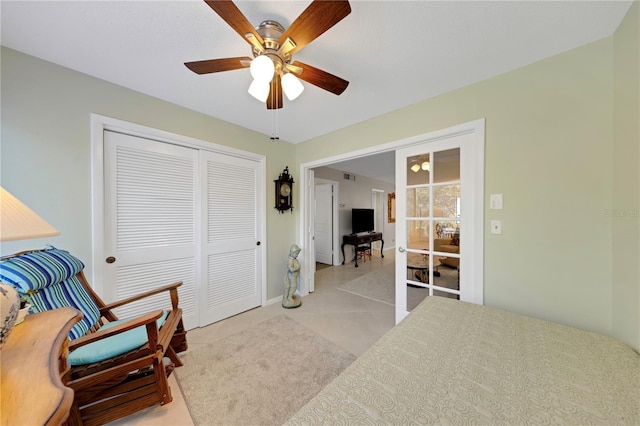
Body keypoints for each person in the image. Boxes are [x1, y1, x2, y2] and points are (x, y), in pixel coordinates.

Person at [282, 244, 302, 308]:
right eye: (296, 254)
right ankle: (289, 297)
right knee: (294, 286)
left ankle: (290, 295)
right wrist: (297, 267)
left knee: (292, 286)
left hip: (294, 276)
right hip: (292, 276)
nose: (297, 255)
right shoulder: (291, 260)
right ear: (292, 253)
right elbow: (291, 268)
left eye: (297, 254)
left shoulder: (293, 258)